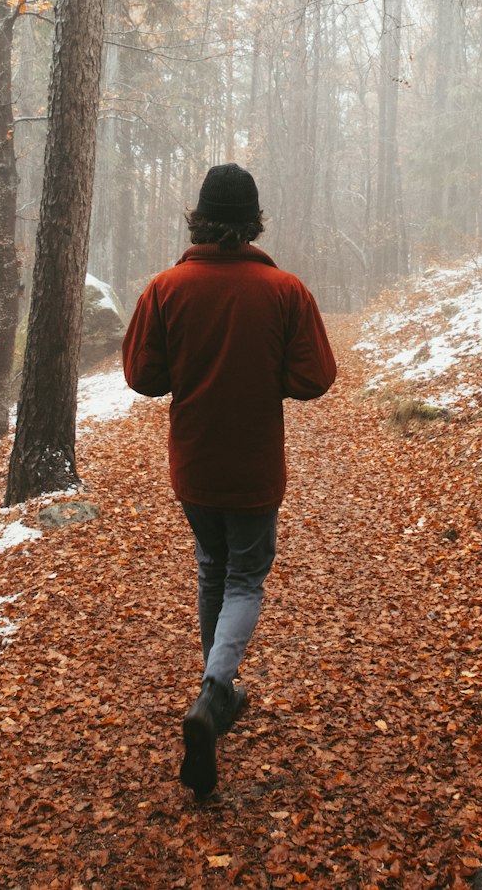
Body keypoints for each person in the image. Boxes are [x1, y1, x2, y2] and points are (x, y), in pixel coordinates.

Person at [121, 162, 336, 799]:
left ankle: (214, 688)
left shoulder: (164, 289)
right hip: (254, 465)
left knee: (212, 565)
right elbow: (314, 378)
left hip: (193, 464)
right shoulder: (284, 291)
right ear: (253, 221)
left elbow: (142, 376)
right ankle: (214, 697)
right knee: (244, 575)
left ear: (200, 216)